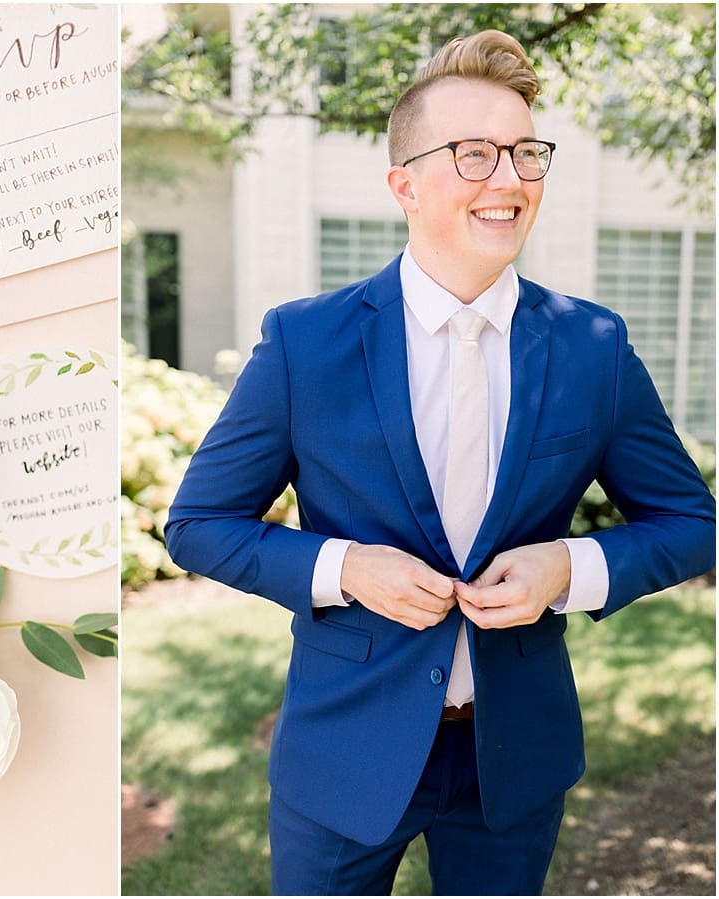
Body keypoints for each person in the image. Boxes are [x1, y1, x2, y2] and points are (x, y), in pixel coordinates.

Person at [163, 29, 715, 896]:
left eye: (526, 152)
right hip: (343, 756)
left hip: (512, 763)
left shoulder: (591, 347)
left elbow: (692, 524)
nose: (509, 178)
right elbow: (197, 526)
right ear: (404, 185)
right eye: (473, 154)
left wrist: (568, 565)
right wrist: (345, 569)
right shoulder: (305, 343)